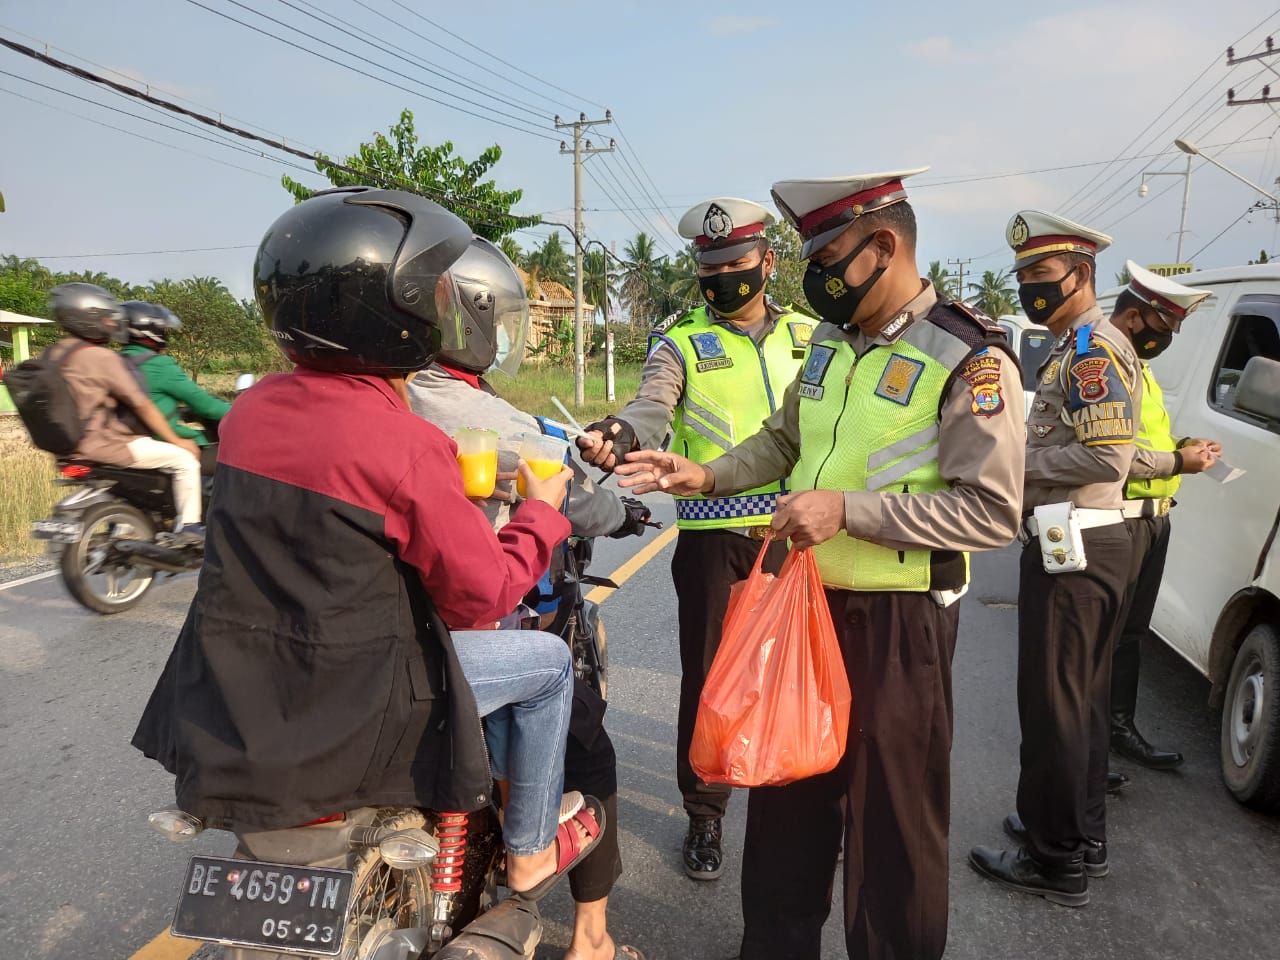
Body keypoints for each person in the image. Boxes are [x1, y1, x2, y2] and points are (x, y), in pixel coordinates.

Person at [131, 187, 602, 902]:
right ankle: (532, 847)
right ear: (399, 311)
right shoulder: (406, 443)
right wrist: (542, 514)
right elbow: (479, 597)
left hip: (235, 688)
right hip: (360, 698)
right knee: (547, 664)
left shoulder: (249, 414)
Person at [616, 169, 1026, 960]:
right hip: (807, 612)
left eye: (828, 256)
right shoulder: (833, 342)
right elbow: (781, 440)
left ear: (885, 246)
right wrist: (702, 474)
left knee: (892, 831)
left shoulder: (968, 357)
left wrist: (848, 512)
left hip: (899, 626)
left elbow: (992, 511)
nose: (815, 277)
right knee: (785, 811)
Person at [406, 235, 648, 960]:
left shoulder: (388, 396)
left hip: (381, 624)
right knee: (586, 742)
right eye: (503, 319)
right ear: (471, 318)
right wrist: (624, 511)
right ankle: (588, 935)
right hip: (485, 610)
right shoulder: (471, 414)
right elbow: (574, 494)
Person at [576, 198, 813, 882]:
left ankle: (796, 800)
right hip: (715, 539)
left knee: (794, 675)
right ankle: (705, 815)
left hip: (801, 537)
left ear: (768, 263)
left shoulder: (814, 335)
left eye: (737, 264)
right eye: (710, 268)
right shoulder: (679, 343)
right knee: (711, 684)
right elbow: (653, 406)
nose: (723, 278)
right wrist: (622, 432)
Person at [969, 210, 1139, 908]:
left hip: (1076, 546)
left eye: (1043, 276)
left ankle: (1054, 856)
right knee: (1082, 702)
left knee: (1056, 707)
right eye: (1025, 279)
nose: (1032, 290)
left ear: (1083, 275)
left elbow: (1106, 454)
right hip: (1087, 542)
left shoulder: (1093, 350)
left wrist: (1020, 462)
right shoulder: (1075, 345)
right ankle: (1076, 831)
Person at [1109, 262, 1219, 769]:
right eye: (1163, 329)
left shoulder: (1141, 368)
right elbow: (1109, 455)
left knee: (1130, 635)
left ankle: (1116, 732)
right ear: (1134, 318)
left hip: (1154, 516)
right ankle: (1088, 753)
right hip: (1120, 519)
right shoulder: (1107, 366)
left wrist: (1181, 447)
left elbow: (1144, 444)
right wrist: (1180, 461)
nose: (1167, 340)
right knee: (1102, 640)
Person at [45, 282, 205, 542]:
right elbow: (140, 403)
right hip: (102, 444)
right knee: (184, 460)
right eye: (107, 318)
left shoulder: (54, 353)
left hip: (67, 448)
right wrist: (177, 441)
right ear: (90, 319)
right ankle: (190, 528)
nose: (111, 324)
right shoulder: (100, 357)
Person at [120, 300, 230, 472]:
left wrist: (181, 412)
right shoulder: (159, 364)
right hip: (167, 442)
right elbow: (207, 407)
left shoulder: (117, 360)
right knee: (231, 462)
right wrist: (240, 411)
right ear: (152, 332)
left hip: (132, 442)